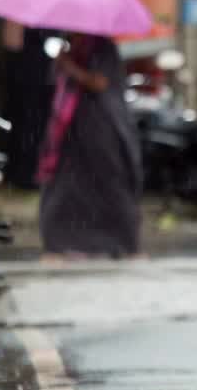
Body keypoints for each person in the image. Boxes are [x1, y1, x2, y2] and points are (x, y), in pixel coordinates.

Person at [37, 34, 143, 261]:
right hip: (70, 131)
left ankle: (126, 245)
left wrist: (69, 66)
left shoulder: (102, 47)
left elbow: (100, 82)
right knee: (62, 189)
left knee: (111, 187)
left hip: (101, 127)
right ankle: (57, 245)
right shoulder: (71, 47)